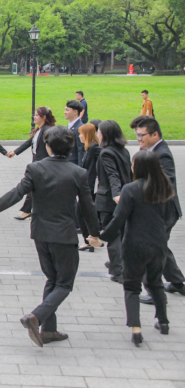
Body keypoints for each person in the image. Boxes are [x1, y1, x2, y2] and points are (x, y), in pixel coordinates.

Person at [0, 126, 100, 348]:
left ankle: (48, 330)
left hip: (40, 233)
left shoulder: (35, 168)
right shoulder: (78, 172)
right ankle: (36, 317)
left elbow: (15, 194)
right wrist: (94, 235)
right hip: (65, 235)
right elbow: (88, 208)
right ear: (70, 148)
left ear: (47, 146)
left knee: (52, 279)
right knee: (65, 284)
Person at [89, 151, 173, 346]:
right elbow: (170, 215)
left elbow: (119, 218)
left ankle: (136, 329)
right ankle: (163, 321)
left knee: (132, 286)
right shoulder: (164, 188)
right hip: (158, 244)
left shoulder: (130, 189)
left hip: (134, 244)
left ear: (138, 167)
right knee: (155, 283)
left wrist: (102, 238)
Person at [132, 117, 185, 302]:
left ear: (155, 134)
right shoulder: (148, 149)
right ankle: (178, 282)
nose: (139, 139)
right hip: (160, 210)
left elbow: (167, 181)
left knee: (151, 250)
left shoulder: (162, 154)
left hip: (165, 211)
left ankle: (155, 293)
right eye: (136, 135)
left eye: (141, 135)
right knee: (160, 247)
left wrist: (140, 190)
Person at [96, 120, 132, 283]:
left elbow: (112, 175)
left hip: (110, 198)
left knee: (113, 236)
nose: (97, 134)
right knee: (122, 233)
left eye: (99, 132)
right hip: (124, 196)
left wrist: (116, 193)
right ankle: (118, 263)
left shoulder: (106, 153)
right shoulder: (123, 151)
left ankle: (118, 271)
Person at [6, 107, 56, 220]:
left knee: (33, 186)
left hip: (42, 164)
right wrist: (14, 152)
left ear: (43, 117)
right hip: (37, 162)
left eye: (37, 115)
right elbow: (29, 143)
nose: (34, 117)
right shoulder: (39, 129)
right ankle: (30, 210)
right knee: (35, 186)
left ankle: (28, 210)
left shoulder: (47, 130)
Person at [77, 123, 102, 252]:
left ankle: (91, 240)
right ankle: (89, 240)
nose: (79, 136)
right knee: (82, 213)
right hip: (86, 185)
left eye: (81, 133)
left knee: (84, 214)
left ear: (86, 135)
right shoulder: (89, 148)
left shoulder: (94, 147)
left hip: (89, 186)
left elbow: (103, 158)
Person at [64, 100, 85, 167]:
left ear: (75, 112)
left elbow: (81, 150)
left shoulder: (79, 128)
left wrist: (80, 168)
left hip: (73, 164)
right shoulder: (70, 126)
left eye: (67, 110)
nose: (65, 112)